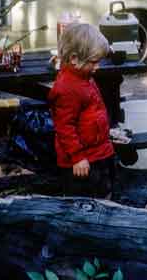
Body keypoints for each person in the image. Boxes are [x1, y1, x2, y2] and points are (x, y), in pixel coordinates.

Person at [48, 23, 115, 199]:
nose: (97, 67)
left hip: (98, 152)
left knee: (104, 192)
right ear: (74, 58)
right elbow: (64, 127)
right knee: (82, 201)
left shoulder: (85, 77)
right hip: (81, 161)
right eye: (93, 62)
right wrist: (77, 157)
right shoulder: (66, 88)